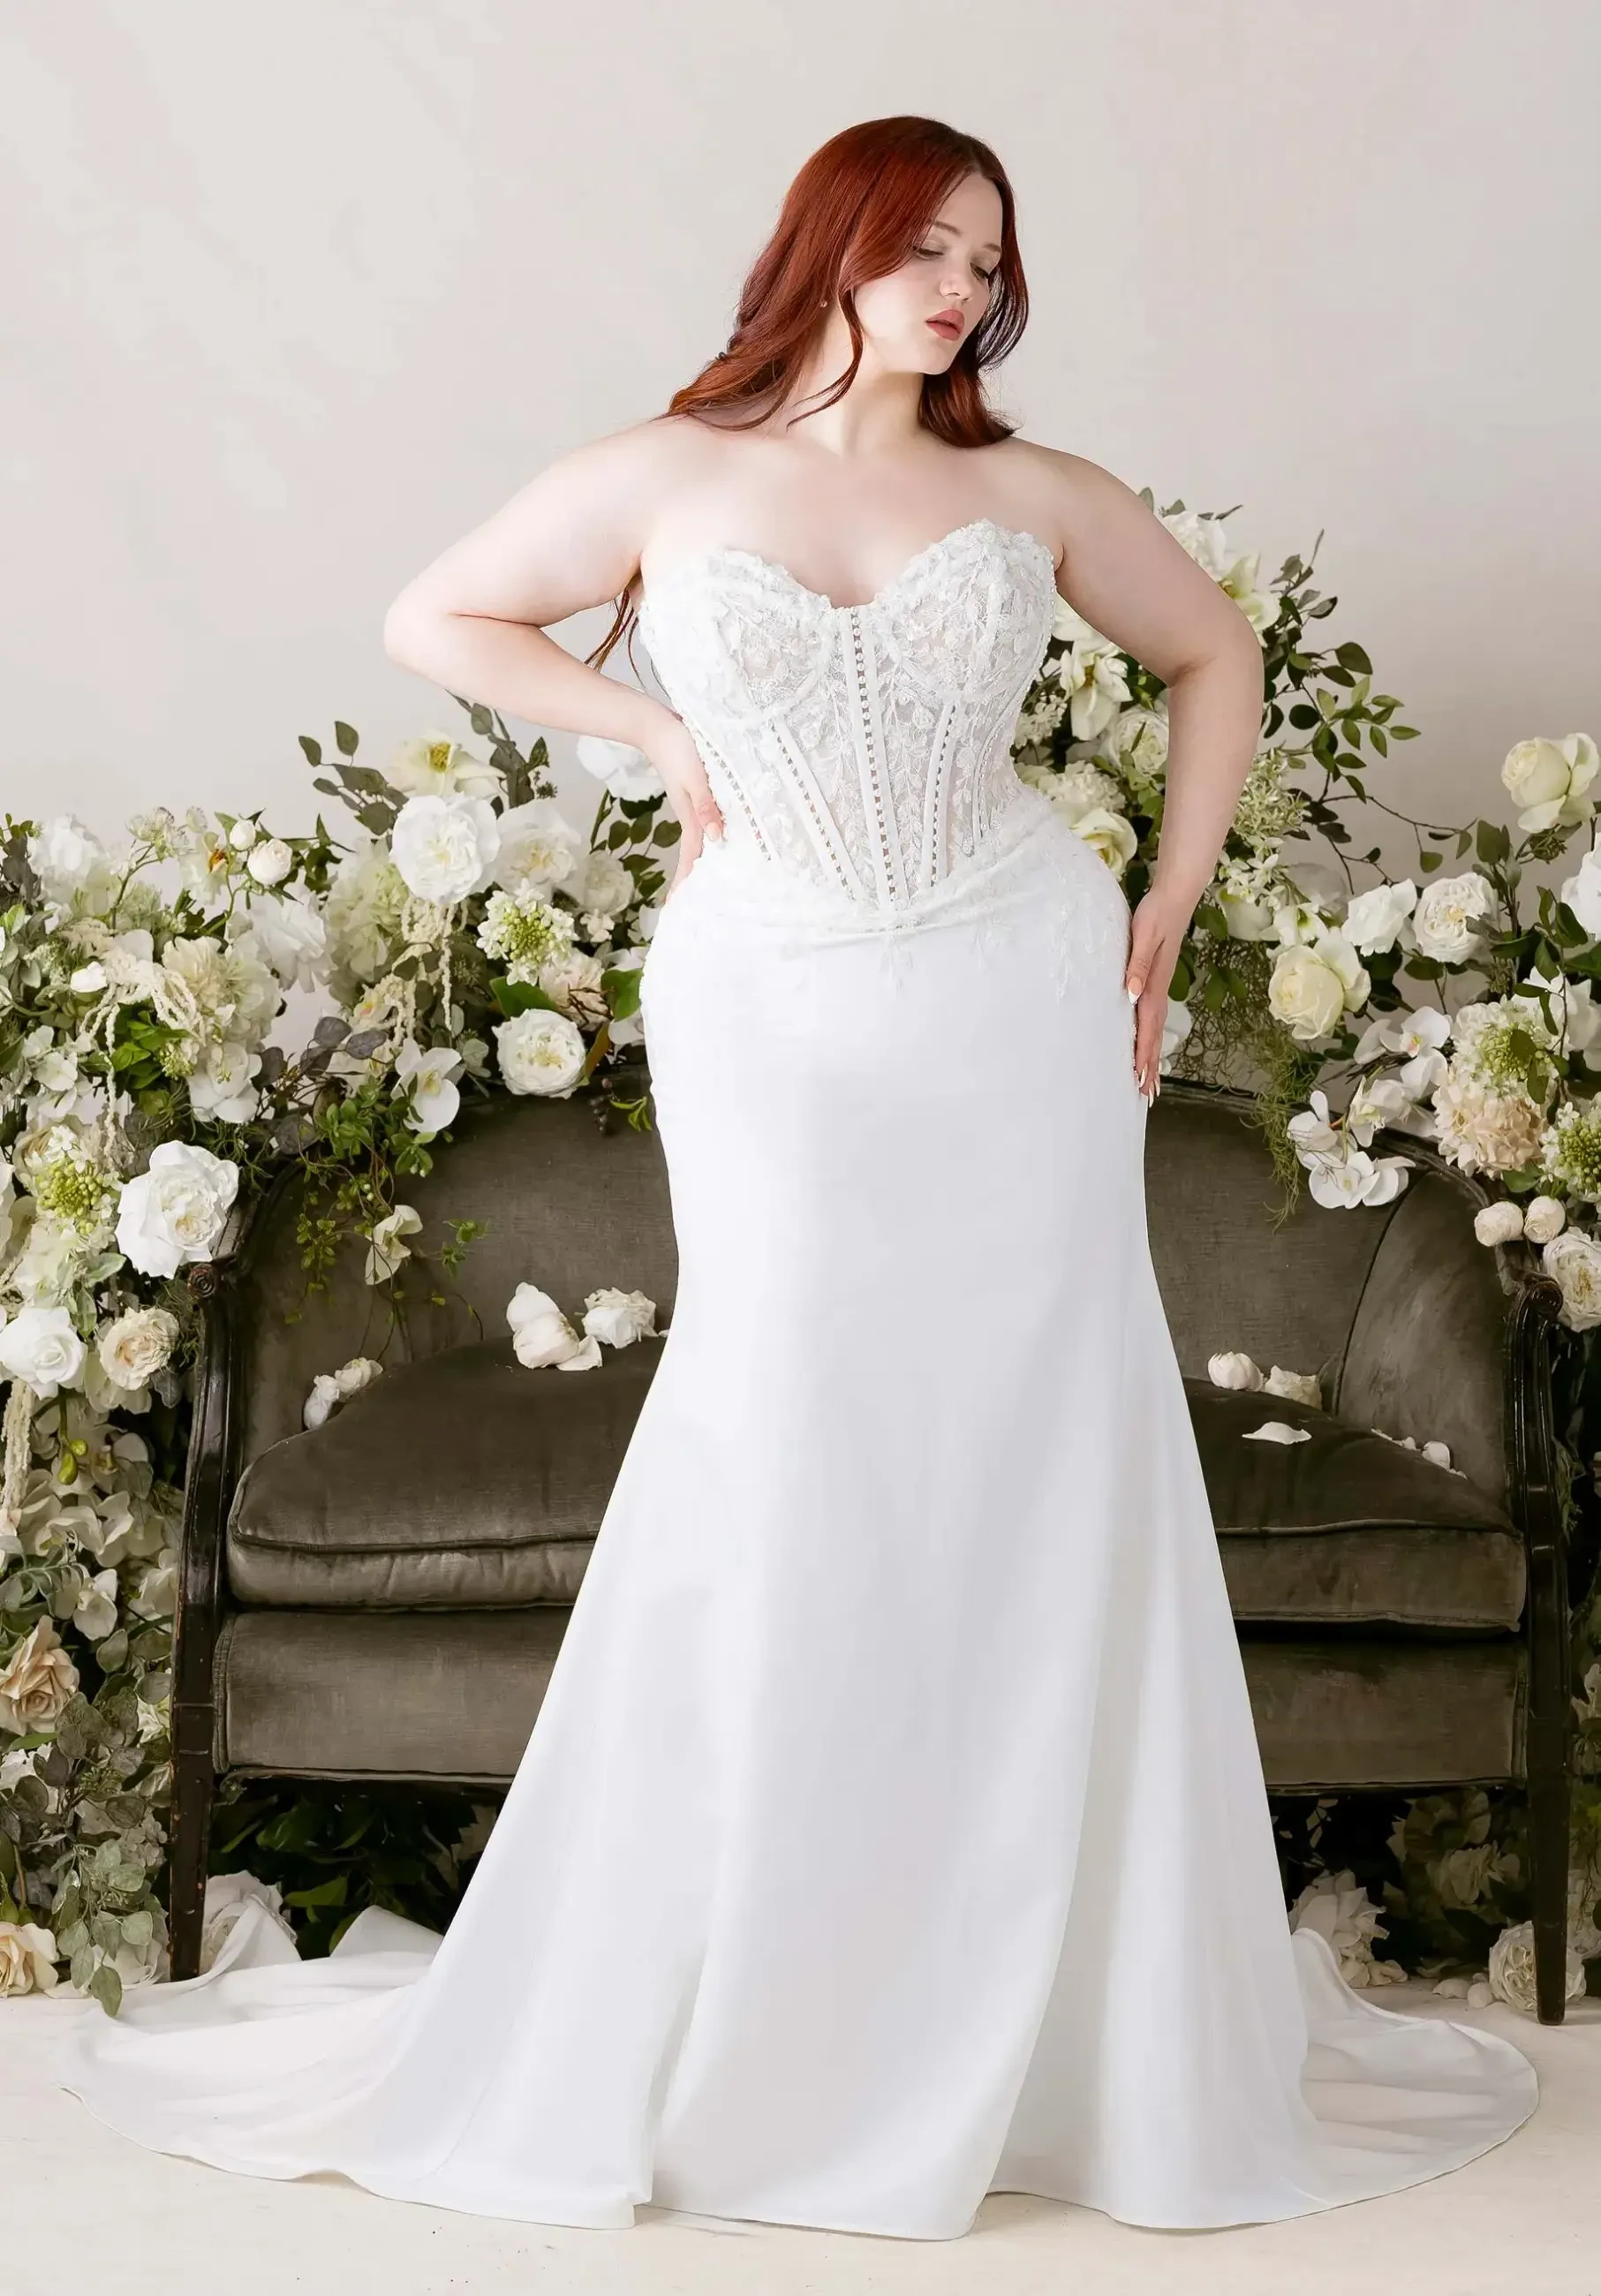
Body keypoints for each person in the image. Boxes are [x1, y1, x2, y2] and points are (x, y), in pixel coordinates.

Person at [53, 112, 1538, 2238]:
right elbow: (436, 613)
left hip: (1014, 998)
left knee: (1035, 1448)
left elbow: (1219, 655)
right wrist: (646, 734)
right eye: (922, 246)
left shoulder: (1032, 495)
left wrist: (1164, 906)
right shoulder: (672, 473)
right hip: (776, 1007)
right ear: (830, 248)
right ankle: (763, 1997)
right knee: (783, 1433)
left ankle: (1049, 2020)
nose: (957, 287)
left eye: (986, 260)